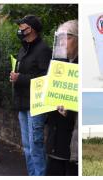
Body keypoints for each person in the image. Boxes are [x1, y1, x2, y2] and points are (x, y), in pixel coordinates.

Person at [10, 15, 52, 176]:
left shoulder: (43, 50)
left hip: (35, 105)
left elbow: (45, 79)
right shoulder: (23, 48)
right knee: (27, 147)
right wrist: (15, 76)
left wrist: (19, 78)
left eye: (22, 26)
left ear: (31, 29)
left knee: (35, 146)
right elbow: (24, 72)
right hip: (22, 102)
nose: (19, 29)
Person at [46, 20, 78, 176]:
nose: (63, 42)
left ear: (79, 39)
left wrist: (71, 111)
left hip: (74, 139)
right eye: (61, 37)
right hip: (55, 134)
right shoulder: (58, 62)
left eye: (69, 37)